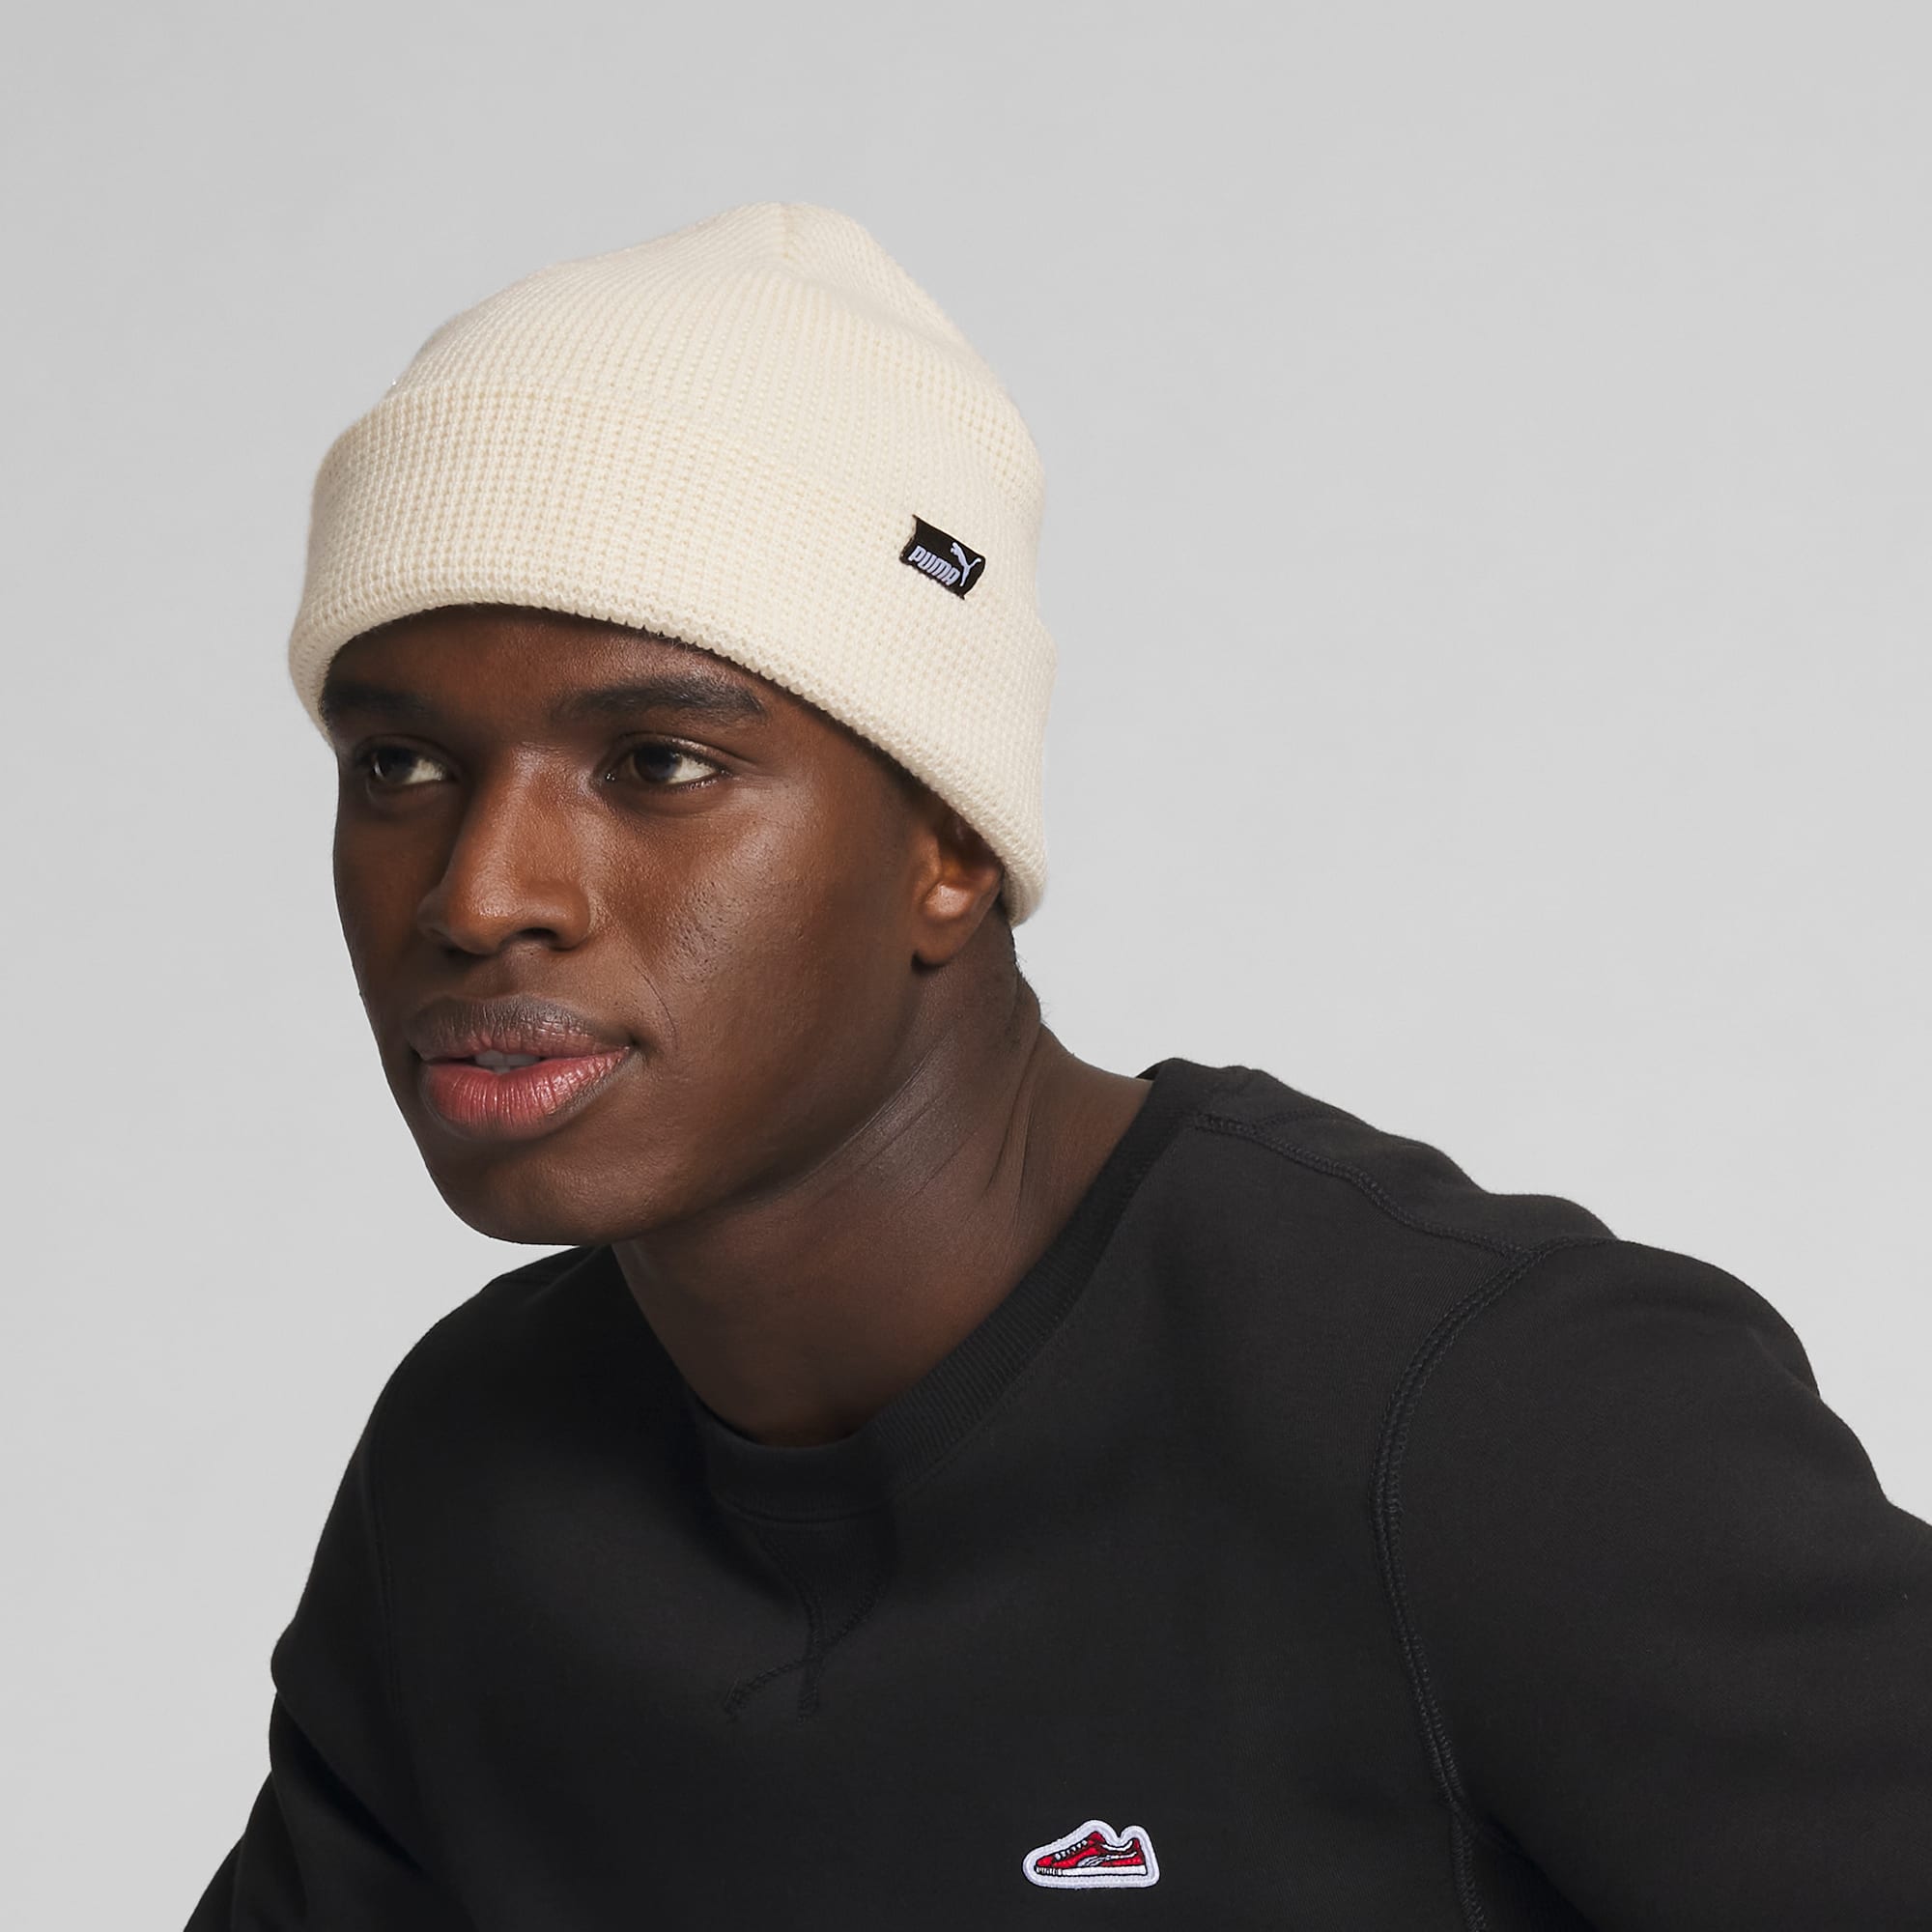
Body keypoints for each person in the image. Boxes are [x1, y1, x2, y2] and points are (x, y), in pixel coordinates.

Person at [185, 203, 1932, 1930]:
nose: (481, 895)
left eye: (658, 762)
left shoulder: (1494, 1423)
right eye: (398, 767)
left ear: (951, 843)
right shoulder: (470, 1483)